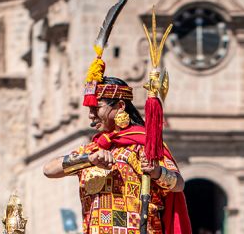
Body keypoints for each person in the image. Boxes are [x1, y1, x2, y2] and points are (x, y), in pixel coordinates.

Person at [43, 76, 189, 234]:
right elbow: (49, 169)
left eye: (96, 108)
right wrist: (89, 160)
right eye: (89, 110)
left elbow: (179, 184)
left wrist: (157, 172)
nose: (91, 115)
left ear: (120, 106)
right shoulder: (92, 149)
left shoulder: (144, 146)